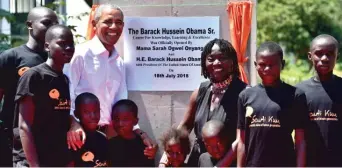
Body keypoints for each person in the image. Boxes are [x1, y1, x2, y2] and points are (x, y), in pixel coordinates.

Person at [64, 3, 157, 158]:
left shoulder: (118, 62)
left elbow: (121, 103)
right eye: (108, 21)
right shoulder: (80, 55)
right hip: (79, 136)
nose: (114, 27)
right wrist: (73, 123)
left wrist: (139, 132)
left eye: (119, 22)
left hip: (109, 137)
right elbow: (67, 94)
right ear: (94, 24)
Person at [160, 38, 248, 167]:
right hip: (199, 161)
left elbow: (242, 140)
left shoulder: (245, 94)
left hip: (230, 162)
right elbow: (184, 128)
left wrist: (220, 166)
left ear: (232, 62)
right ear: (204, 63)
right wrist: (164, 160)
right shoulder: (200, 92)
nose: (216, 63)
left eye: (222, 58)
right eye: (211, 59)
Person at [0, 7, 58, 166]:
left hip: (49, 140)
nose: (52, 28)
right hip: (14, 142)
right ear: (29, 24)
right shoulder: (11, 57)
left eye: (56, 24)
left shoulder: (57, 59)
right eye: (46, 23)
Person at [236, 42, 308, 167]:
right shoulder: (245, 96)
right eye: (262, 65)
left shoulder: (295, 95)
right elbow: (241, 141)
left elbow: (300, 140)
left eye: (272, 65)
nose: (267, 69)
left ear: (282, 64)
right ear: (255, 65)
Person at [16, 25, 74, 167]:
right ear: (47, 46)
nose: (68, 48)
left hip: (58, 160)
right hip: (34, 161)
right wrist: (35, 165)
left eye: (71, 44)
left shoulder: (64, 79)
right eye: (62, 43)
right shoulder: (34, 76)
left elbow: (62, 120)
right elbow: (24, 125)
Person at [296, 34, 342, 167]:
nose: (324, 59)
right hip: (308, 162)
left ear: (337, 57)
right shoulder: (299, 91)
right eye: (319, 54)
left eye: (330, 54)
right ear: (310, 56)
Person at [108, 99, 155, 167]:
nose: (120, 123)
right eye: (116, 119)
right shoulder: (110, 144)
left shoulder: (145, 146)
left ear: (135, 121)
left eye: (125, 119)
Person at [70, 92, 108, 167]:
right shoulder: (73, 140)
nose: (93, 116)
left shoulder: (103, 139)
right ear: (76, 114)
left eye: (96, 111)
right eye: (87, 112)